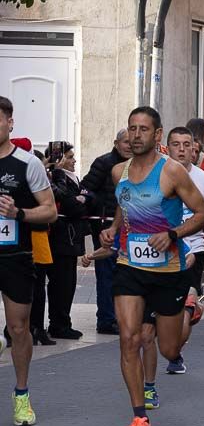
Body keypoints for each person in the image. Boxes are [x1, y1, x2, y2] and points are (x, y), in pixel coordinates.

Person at [100, 107, 204, 426]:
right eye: (131, 129)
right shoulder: (118, 171)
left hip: (167, 270)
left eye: (143, 129)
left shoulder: (173, 172)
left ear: (157, 135)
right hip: (129, 266)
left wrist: (174, 235)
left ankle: (189, 311)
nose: (135, 135)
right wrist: (114, 228)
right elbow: (125, 204)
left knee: (168, 349)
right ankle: (139, 416)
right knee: (129, 338)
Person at [0, 99, 57, 426]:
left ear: (10, 123)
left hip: (15, 257)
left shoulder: (26, 164)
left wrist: (18, 213)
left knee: (19, 328)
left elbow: (49, 210)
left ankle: (21, 394)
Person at [163, 127, 204, 374]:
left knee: (183, 306)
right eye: (176, 144)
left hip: (193, 249)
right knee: (163, 311)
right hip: (160, 249)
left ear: (194, 149)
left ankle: (175, 354)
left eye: (187, 145)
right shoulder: (156, 175)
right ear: (167, 148)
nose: (182, 150)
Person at [80, 128, 131, 334]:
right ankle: (106, 319)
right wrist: (99, 205)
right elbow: (86, 188)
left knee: (127, 275)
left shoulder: (138, 163)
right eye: (125, 141)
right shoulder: (104, 163)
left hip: (132, 226)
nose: (129, 145)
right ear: (116, 143)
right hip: (106, 226)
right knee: (106, 273)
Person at [41, 142, 86, 341]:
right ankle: (58, 323)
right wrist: (57, 173)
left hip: (71, 239)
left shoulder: (74, 179)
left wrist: (82, 199)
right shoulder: (52, 178)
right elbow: (69, 204)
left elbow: (87, 201)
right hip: (59, 239)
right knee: (59, 284)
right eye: (69, 157)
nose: (74, 160)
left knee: (67, 284)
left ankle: (62, 322)